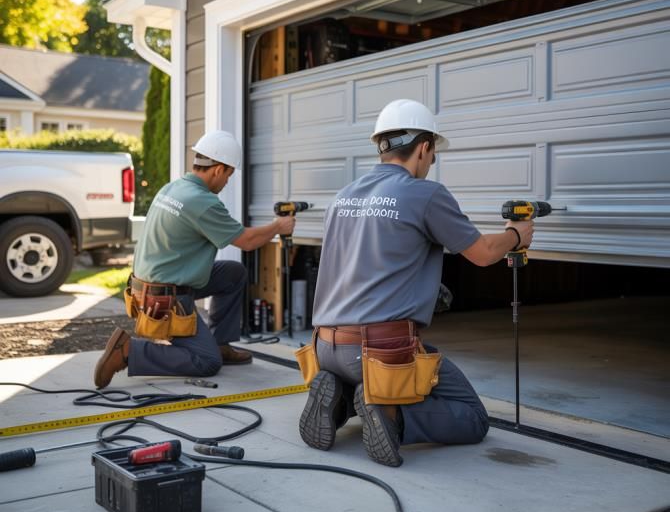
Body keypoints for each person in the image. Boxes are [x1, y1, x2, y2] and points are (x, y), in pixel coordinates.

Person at [298, 99, 534, 467]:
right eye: (433, 153)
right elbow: (484, 253)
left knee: (367, 369)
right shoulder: (426, 194)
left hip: (325, 348)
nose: (432, 162)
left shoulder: (343, 197)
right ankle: (390, 415)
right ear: (424, 148)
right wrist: (517, 235)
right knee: (472, 417)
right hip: (379, 354)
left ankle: (341, 400)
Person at [93, 130, 295, 389]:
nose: (227, 182)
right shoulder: (202, 202)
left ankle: (220, 344)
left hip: (147, 287)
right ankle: (129, 351)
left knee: (233, 273)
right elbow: (247, 241)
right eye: (229, 175)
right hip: (166, 298)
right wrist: (279, 226)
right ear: (218, 170)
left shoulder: (175, 188)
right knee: (206, 362)